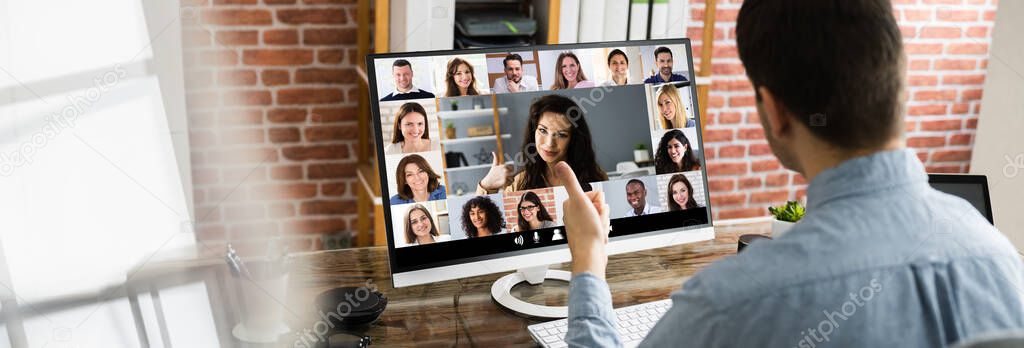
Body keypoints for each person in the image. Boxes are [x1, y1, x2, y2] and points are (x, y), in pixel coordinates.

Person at [560, 0, 1024, 346]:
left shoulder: (730, 304)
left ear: (775, 113)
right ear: (899, 87)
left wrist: (588, 263)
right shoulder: (1000, 260)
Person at [477, 95, 607, 194]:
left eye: (561, 134)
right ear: (534, 131)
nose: (550, 143)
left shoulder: (595, 177)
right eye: (543, 130)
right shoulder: (520, 183)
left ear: (573, 139)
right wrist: (486, 186)